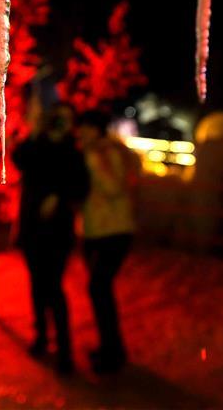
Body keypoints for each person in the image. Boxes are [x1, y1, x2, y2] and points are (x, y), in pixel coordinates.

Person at [13, 100, 89, 374]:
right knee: (37, 284)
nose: (61, 125)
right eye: (58, 120)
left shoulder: (74, 153)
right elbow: (18, 159)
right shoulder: (37, 147)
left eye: (66, 121)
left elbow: (82, 187)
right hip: (32, 228)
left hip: (58, 231)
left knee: (53, 287)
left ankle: (64, 349)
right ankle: (42, 336)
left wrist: (60, 197)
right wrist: (35, 131)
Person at [77, 109, 137, 373]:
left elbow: (114, 188)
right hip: (93, 231)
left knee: (98, 288)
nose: (80, 132)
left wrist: (91, 162)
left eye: (85, 127)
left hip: (114, 231)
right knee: (100, 292)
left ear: (96, 129)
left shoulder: (104, 153)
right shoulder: (89, 152)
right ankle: (110, 347)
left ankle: (113, 352)